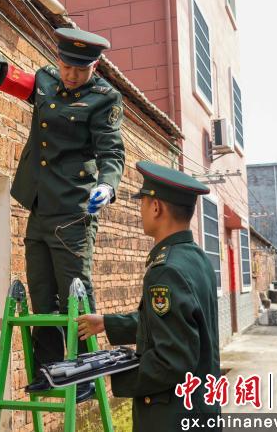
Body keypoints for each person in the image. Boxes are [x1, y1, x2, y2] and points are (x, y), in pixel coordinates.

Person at [0, 9, 125, 402]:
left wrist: (107, 187)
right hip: (39, 204)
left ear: (94, 66)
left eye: (80, 69)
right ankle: (51, 371)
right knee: (42, 293)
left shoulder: (104, 99)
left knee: (75, 292)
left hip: (74, 209)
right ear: (58, 60)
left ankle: (85, 374)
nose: (70, 75)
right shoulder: (46, 81)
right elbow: (7, 77)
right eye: (66, 66)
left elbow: (112, 153)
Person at [76, 161, 221, 431]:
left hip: (170, 417)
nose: (140, 210)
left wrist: (112, 375)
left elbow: (172, 359)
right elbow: (171, 325)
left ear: (156, 207)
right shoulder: (197, 259)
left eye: (142, 202)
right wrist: (107, 323)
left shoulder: (166, 270)